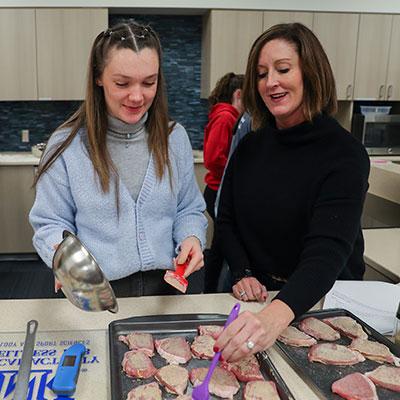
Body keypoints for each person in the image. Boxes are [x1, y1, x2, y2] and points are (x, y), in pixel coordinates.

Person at [214, 23, 370, 361]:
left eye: (283, 69)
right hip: (262, 301)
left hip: (323, 300)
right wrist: (242, 271)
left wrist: (274, 316)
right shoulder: (251, 148)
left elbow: (328, 251)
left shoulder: (344, 153)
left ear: (310, 73)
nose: (271, 82)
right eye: (261, 73)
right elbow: (225, 220)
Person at [29, 21, 207, 297]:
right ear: (98, 77)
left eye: (149, 82)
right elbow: (49, 223)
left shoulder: (175, 139)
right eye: (122, 83)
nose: (137, 96)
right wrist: (61, 257)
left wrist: (191, 236)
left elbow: (188, 209)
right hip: (97, 292)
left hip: (167, 292)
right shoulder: (66, 146)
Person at [203, 72, 244, 292]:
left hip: (218, 189)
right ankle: (210, 290)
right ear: (238, 94)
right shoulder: (226, 117)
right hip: (217, 190)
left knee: (220, 244)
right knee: (220, 247)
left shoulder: (225, 116)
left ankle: (210, 290)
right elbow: (212, 158)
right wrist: (238, 170)